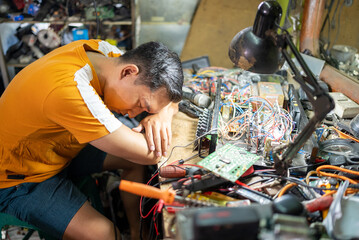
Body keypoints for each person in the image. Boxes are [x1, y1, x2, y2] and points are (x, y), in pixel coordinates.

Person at [0, 39, 184, 240]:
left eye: (144, 110)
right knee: (107, 234)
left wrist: (162, 114)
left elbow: (171, 99)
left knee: (131, 161)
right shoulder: (70, 90)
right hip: (20, 177)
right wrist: (163, 112)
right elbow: (151, 154)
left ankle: (137, 233)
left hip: (53, 148)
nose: (134, 114)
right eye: (141, 104)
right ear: (128, 72)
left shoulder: (106, 54)